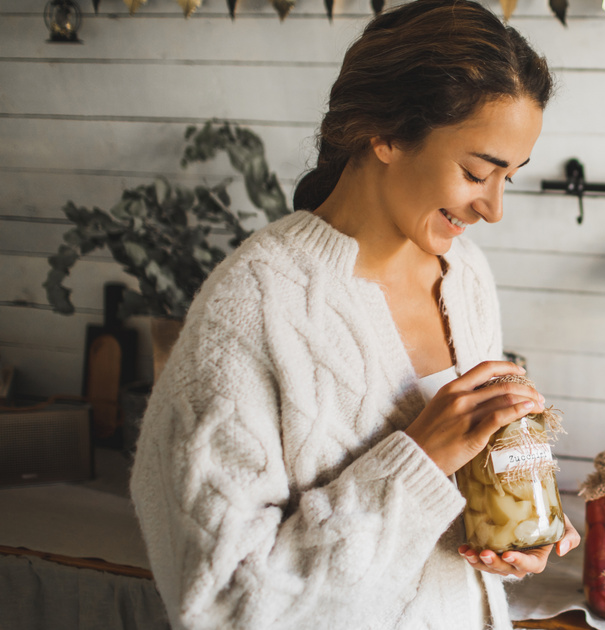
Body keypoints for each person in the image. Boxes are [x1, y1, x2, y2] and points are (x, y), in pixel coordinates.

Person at [129, 1, 579, 628]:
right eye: (479, 172)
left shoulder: (467, 276)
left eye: (512, 177)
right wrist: (417, 462)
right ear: (385, 133)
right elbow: (223, 604)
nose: (495, 209)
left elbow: (442, 522)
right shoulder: (253, 307)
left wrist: (506, 527)